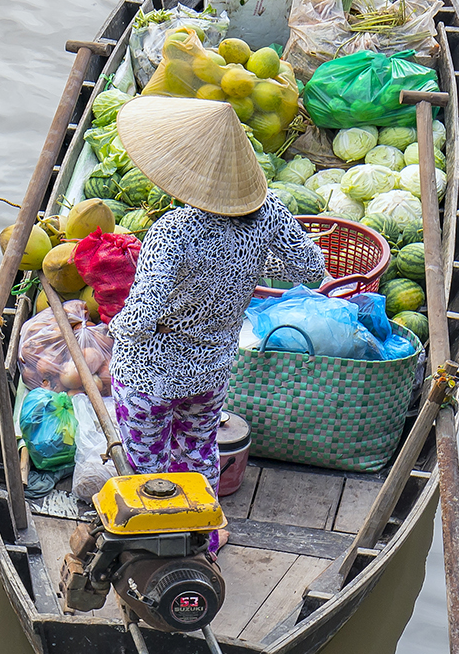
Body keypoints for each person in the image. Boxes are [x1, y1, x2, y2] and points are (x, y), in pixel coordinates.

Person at [105, 97, 328, 526]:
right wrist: (250, 265)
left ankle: (155, 541)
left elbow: (141, 318)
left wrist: (113, 328)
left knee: (145, 469)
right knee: (198, 455)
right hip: (211, 371)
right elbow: (310, 270)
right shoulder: (269, 211)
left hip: (149, 375)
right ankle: (204, 536)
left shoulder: (172, 232)